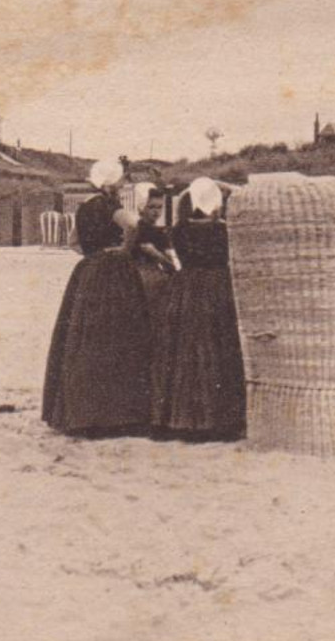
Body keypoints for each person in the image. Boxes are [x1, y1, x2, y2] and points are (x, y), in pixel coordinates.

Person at [42, 160, 154, 436]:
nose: (120, 188)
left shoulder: (83, 207)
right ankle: (117, 415)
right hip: (113, 270)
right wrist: (122, 250)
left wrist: (93, 255)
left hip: (88, 272)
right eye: (118, 183)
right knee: (119, 337)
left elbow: (73, 242)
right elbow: (134, 224)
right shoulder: (107, 205)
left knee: (86, 339)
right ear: (108, 185)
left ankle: (86, 412)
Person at [149, 177, 246, 440]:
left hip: (185, 288)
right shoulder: (223, 230)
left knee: (182, 350)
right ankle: (215, 420)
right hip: (217, 288)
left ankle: (177, 418)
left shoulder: (180, 229)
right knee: (216, 350)